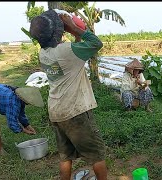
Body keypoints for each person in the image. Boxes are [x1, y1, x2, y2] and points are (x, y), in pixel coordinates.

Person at [29, 10, 107, 180]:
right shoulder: (66, 51)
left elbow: (73, 52)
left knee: (66, 157)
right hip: (75, 111)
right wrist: (73, 28)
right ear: (59, 31)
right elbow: (96, 43)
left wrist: (74, 35)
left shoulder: (43, 54)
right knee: (97, 155)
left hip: (57, 112)